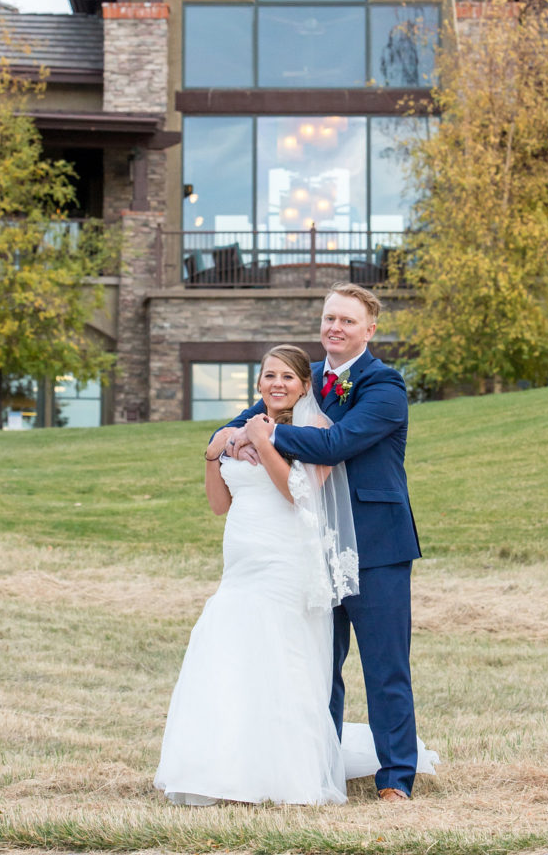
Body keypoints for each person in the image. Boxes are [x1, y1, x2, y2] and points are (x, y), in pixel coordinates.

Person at [229, 284, 421, 803]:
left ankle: (396, 778)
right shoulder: (308, 380)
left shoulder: (386, 386)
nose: (335, 328)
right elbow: (239, 424)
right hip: (311, 548)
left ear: (370, 329)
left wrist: (263, 436)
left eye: (348, 321)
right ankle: (322, 768)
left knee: (385, 668)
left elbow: (336, 443)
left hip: (376, 548)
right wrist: (234, 437)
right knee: (318, 665)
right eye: (329, 318)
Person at [154, 344, 360, 806]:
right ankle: (223, 767)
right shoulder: (236, 431)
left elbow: (296, 494)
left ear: (305, 386)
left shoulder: (320, 432)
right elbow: (219, 505)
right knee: (229, 649)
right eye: (269, 376)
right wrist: (213, 452)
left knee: (279, 655)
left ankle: (284, 776)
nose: (277, 384)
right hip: (240, 564)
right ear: (259, 384)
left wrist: (263, 443)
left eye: (288, 376)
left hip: (286, 562)